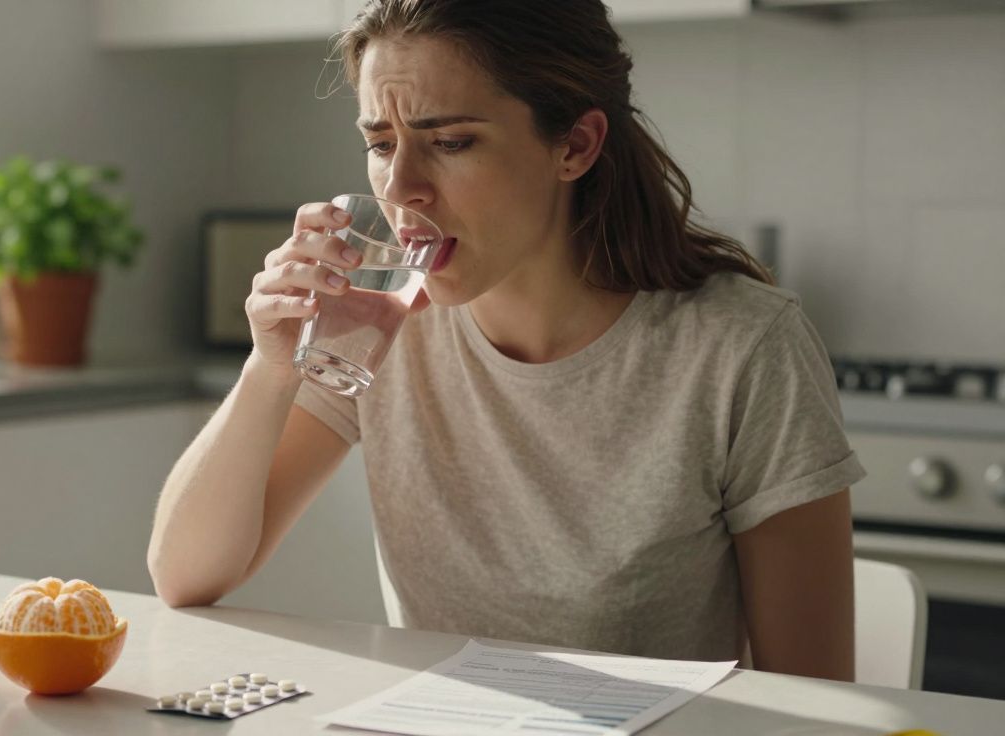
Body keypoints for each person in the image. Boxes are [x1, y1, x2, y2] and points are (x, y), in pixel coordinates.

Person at [148, 0, 864, 681]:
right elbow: (184, 576)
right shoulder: (380, 327)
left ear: (575, 146)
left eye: (451, 142)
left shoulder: (743, 348)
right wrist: (269, 368)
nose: (401, 188)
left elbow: (815, 698)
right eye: (379, 142)